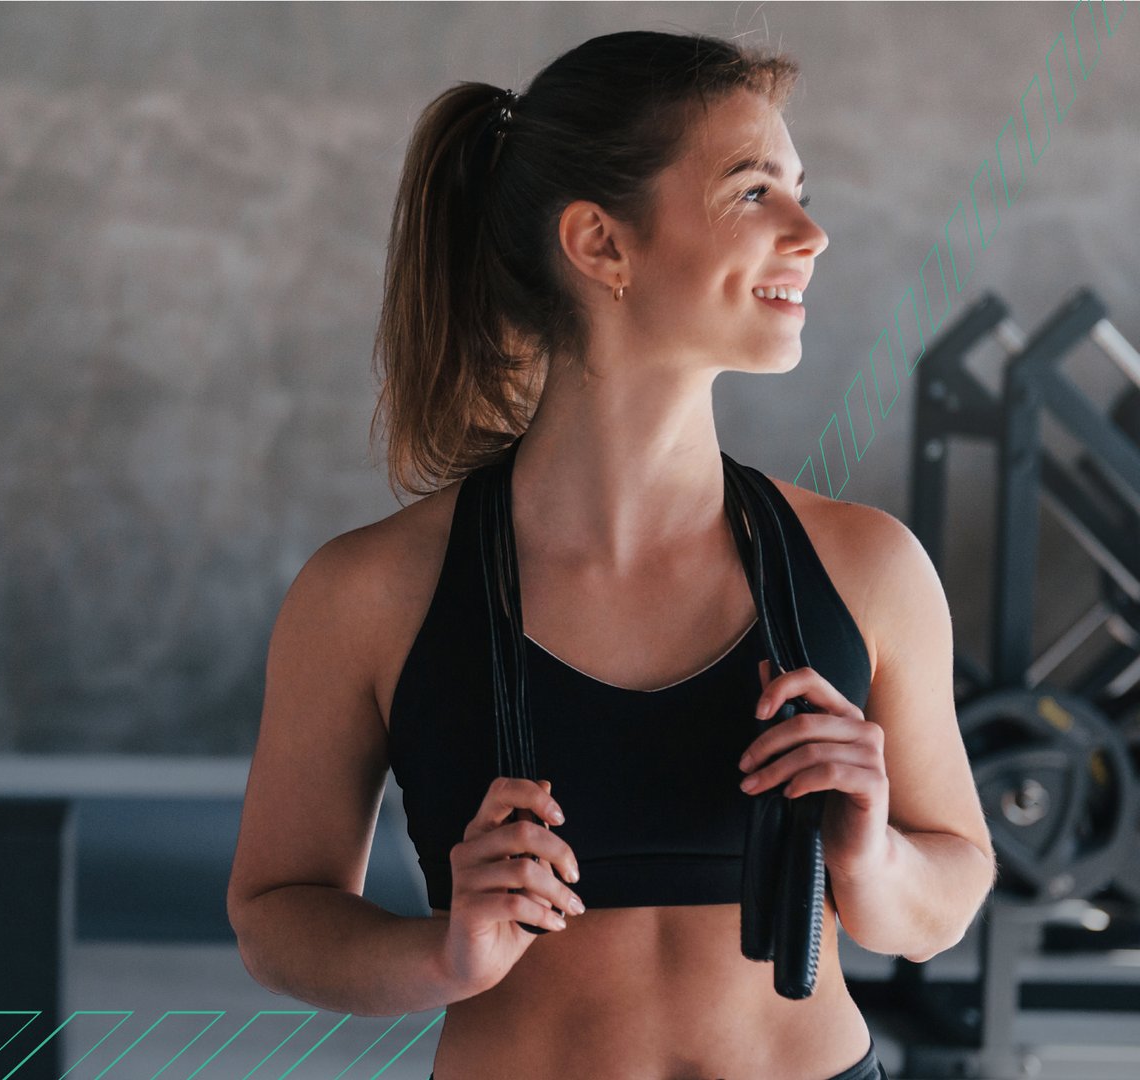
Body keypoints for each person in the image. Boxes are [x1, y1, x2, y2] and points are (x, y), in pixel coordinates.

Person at [227, 29, 998, 1080]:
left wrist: (871, 856)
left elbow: (945, 897)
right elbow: (277, 918)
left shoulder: (870, 568)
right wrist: (442, 954)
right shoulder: (369, 594)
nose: (810, 232)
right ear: (600, 244)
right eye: (752, 192)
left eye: (800, 190)